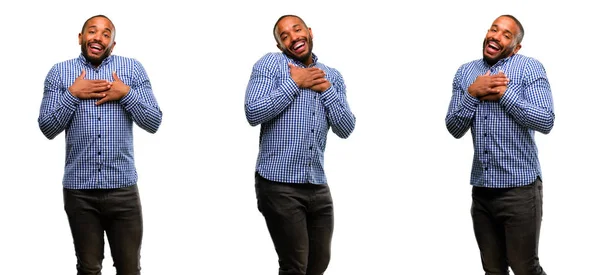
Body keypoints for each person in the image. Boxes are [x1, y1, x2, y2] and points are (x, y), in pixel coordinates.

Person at [38, 14, 162, 275]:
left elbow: (153, 121)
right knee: (88, 268)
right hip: (79, 192)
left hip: (123, 191)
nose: (99, 37)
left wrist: (125, 93)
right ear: (81, 38)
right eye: (92, 31)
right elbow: (47, 127)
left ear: (113, 45)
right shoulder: (59, 73)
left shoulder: (132, 70)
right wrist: (72, 94)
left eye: (107, 34)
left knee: (130, 269)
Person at [244, 14, 356, 275]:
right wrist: (295, 82)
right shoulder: (270, 65)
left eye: (297, 29)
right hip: (278, 184)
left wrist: (325, 87)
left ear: (310, 31)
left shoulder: (333, 76)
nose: (293, 37)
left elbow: (346, 128)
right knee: (295, 266)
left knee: (318, 264)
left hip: (317, 185)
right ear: (280, 46)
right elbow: (253, 112)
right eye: (284, 36)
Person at [445, 15, 554, 275]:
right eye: (494, 29)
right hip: (482, 191)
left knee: (524, 267)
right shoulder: (466, 72)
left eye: (506, 34)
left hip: (520, 190)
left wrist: (504, 95)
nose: (496, 36)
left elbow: (546, 120)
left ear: (516, 47)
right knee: (493, 270)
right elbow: (454, 127)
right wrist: (473, 94)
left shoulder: (529, 68)